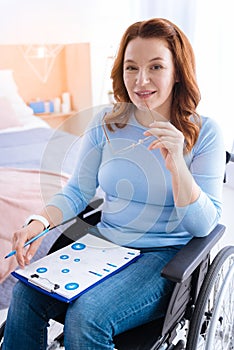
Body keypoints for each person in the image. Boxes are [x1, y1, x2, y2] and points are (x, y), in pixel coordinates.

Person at [3, 18, 225, 350]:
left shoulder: (204, 132)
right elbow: (79, 190)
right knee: (25, 292)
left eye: (156, 67)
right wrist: (40, 222)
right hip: (104, 247)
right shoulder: (108, 123)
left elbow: (203, 225)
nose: (141, 80)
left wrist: (177, 164)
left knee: (87, 316)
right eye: (131, 67)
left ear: (177, 71)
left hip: (163, 258)